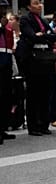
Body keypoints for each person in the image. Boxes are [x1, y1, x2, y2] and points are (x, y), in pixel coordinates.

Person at [15, 0, 56, 136]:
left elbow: (54, 36)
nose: (39, 5)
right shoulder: (25, 20)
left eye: (40, 3)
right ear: (28, 6)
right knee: (33, 93)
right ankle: (33, 126)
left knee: (45, 92)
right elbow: (31, 37)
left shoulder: (43, 20)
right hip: (32, 61)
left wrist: (43, 36)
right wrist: (41, 36)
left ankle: (44, 124)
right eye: (35, 3)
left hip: (45, 60)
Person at [0, 14, 16, 144]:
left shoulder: (8, 30)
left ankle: (2, 128)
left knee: (6, 98)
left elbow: (9, 48)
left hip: (6, 67)